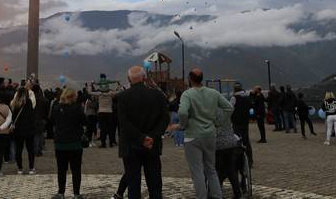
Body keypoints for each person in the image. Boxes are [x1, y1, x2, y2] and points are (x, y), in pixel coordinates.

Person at [116, 66, 169, 199]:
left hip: (131, 146)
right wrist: (151, 137)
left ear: (129, 79)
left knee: (133, 185)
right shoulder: (158, 95)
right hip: (152, 145)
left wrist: (141, 138)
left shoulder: (122, 97)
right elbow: (165, 119)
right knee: (155, 184)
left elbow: (124, 123)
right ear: (144, 78)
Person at [178, 68, 231, 199]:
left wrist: (182, 125)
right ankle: (217, 196)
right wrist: (219, 123)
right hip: (210, 135)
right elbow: (229, 107)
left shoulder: (187, 94)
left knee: (197, 171)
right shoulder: (213, 92)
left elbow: (183, 112)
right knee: (211, 169)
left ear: (190, 79)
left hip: (192, 136)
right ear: (202, 78)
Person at [50, 87, 86, 199]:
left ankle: (61, 193)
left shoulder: (56, 108)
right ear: (72, 97)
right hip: (75, 144)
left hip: (60, 144)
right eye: (75, 95)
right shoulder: (77, 108)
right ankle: (76, 194)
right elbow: (85, 121)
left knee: (61, 169)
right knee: (76, 170)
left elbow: (52, 121)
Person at [214, 100, 241, 198]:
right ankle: (237, 192)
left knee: (218, 169)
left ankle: (218, 192)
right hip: (230, 142)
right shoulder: (225, 111)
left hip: (218, 143)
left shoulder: (211, 112)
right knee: (231, 169)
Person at [10, 86, 36, 174]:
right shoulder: (28, 102)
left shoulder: (14, 103)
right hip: (28, 129)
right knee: (30, 149)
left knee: (19, 149)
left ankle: (20, 168)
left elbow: (13, 117)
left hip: (18, 130)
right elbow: (31, 116)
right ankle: (31, 168)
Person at [90, 75, 120, 148]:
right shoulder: (110, 94)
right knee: (110, 128)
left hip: (101, 113)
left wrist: (91, 84)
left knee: (103, 129)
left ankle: (103, 144)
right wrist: (118, 84)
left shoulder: (99, 94)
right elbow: (119, 91)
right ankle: (111, 143)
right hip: (109, 113)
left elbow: (89, 92)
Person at [230, 83, 252, 167]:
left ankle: (238, 161)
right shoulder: (247, 97)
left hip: (236, 122)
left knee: (238, 141)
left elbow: (230, 109)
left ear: (235, 89)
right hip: (245, 122)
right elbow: (250, 108)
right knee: (246, 140)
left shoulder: (234, 98)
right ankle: (250, 160)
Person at [32, 83, 48, 156]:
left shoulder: (30, 99)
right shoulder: (44, 99)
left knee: (35, 135)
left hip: (33, 119)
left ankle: (35, 150)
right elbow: (46, 110)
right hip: (42, 119)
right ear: (39, 90)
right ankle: (39, 149)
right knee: (40, 135)